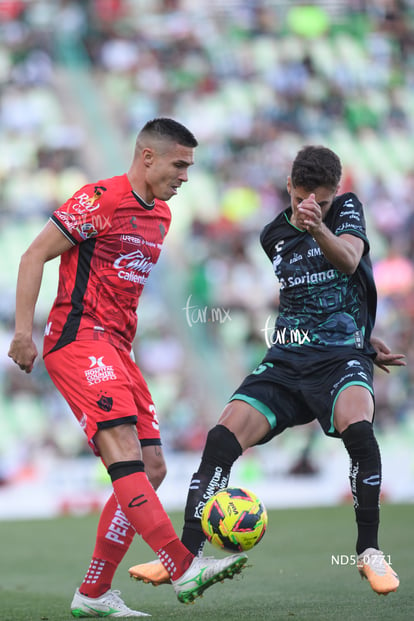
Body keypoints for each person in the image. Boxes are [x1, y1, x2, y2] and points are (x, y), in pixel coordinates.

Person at [129, 145, 405, 596]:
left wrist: (319, 230)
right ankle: (185, 556)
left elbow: (350, 262)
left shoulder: (347, 210)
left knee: (359, 428)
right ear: (289, 188)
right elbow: (305, 298)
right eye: (301, 199)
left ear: (336, 193)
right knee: (221, 436)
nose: (311, 207)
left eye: (323, 200)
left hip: (339, 357)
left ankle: (370, 552)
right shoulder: (272, 235)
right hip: (287, 357)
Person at [8, 118, 247, 618]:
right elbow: (33, 256)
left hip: (119, 347)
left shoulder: (161, 216)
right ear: (148, 157)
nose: (185, 176)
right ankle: (182, 565)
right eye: (179, 165)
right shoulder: (100, 198)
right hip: (78, 339)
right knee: (123, 453)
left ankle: (93, 593)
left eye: (190, 167)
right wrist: (23, 332)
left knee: (153, 468)